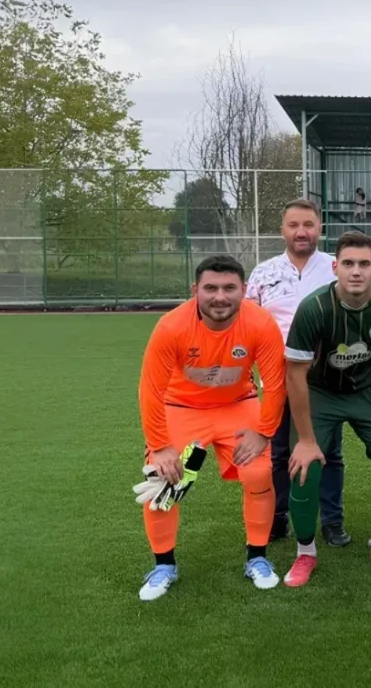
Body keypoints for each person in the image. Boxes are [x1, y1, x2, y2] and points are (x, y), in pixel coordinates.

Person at [135, 255, 286, 601]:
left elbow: (275, 383)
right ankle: (164, 565)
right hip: (181, 407)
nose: (220, 297)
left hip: (238, 405)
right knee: (161, 480)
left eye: (229, 288)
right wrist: (160, 446)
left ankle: (257, 558)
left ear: (244, 290)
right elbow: (151, 390)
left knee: (259, 472)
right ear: (195, 290)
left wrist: (264, 432)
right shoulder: (172, 326)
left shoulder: (260, 323)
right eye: (211, 288)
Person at [281, 231, 371, 586]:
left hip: (368, 388)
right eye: (348, 264)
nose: (355, 271)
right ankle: (305, 552)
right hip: (321, 390)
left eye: (363, 264)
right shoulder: (314, 308)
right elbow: (294, 374)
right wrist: (306, 440)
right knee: (305, 465)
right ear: (335, 268)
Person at [245, 199, 345, 546]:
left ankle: (332, 521)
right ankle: (278, 517)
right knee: (278, 453)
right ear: (282, 230)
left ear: (320, 228)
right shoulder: (264, 272)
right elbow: (248, 325)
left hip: (325, 378)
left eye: (308, 225)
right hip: (276, 379)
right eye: (294, 225)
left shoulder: (336, 267)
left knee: (329, 451)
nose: (301, 232)